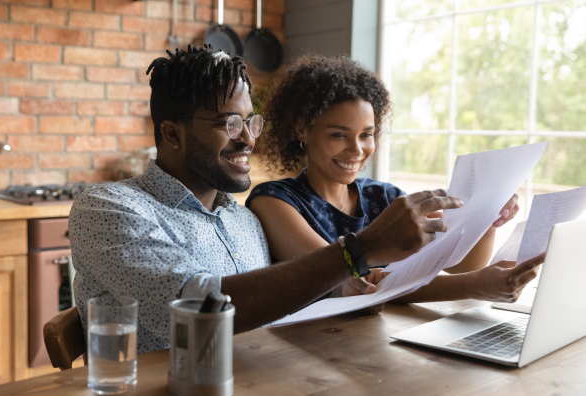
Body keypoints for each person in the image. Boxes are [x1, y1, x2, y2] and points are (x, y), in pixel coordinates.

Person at [69, 45, 541, 353]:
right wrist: (357, 253)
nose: (247, 141)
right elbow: (202, 310)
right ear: (170, 133)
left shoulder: (241, 221)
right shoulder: (109, 208)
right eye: (227, 124)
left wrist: (345, 286)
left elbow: (294, 299)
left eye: (250, 123)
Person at [247, 54, 540, 305]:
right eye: (338, 135)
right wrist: (474, 286)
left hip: (383, 341)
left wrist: (487, 218)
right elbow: (355, 281)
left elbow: (463, 265)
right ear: (302, 130)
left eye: (366, 135)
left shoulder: (384, 198)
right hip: (310, 347)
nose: (356, 149)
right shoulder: (273, 202)